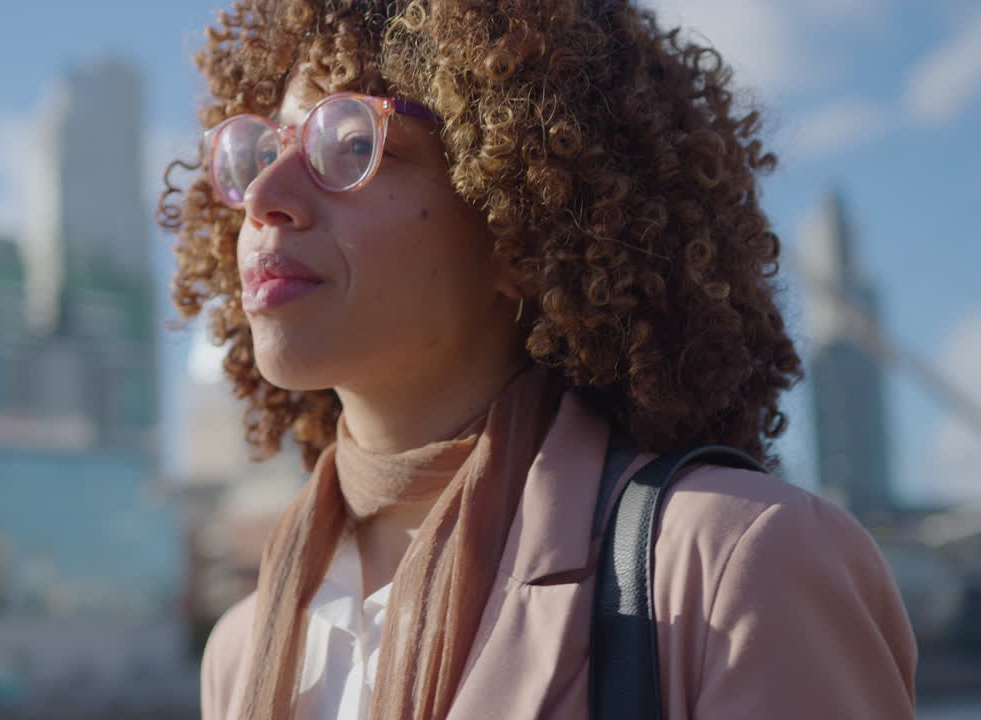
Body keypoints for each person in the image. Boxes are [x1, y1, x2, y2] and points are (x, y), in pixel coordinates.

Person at [157, 0, 918, 718]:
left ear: (521, 214)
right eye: (261, 149)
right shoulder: (244, 649)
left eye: (352, 143)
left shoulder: (740, 569)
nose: (263, 193)